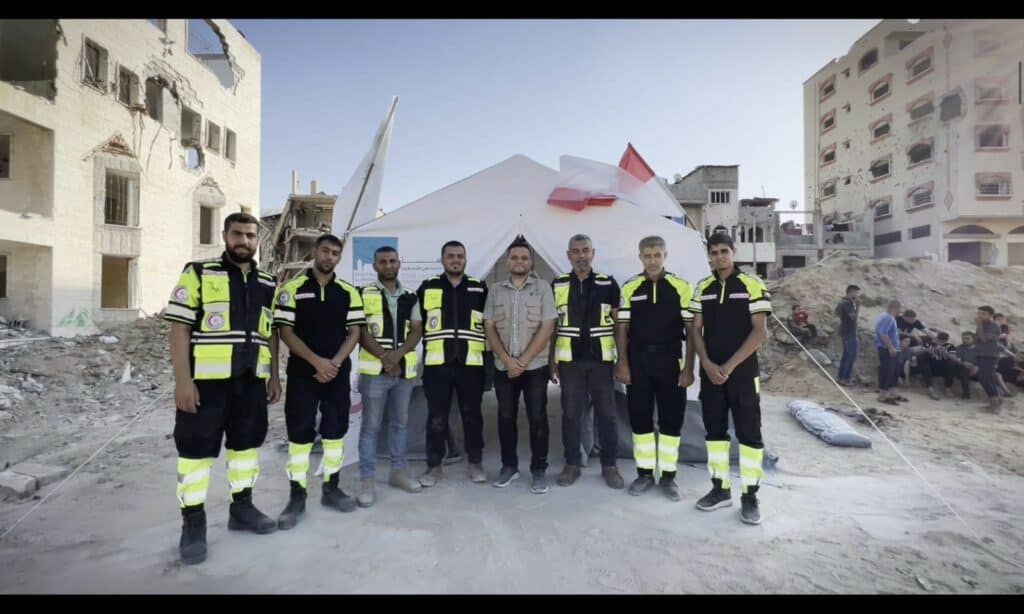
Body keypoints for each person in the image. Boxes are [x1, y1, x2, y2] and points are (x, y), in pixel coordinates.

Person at [164, 212, 282, 565]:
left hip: (250, 382)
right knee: (196, 454)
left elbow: (270, 332)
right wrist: (183, 381)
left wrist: (275, 375)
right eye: (237, 234)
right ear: (224, 235)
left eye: (250, 235)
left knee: (246, 449)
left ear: (257, 240)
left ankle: (242, 510)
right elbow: (179, 329)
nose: (244, 241)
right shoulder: (199, 273)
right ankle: (193, 523)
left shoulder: (267, 282)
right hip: (206, 385)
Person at [273, 234, 365, 529]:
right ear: (315, 252)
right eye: (325, 250)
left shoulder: (349, 292)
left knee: (335, 432)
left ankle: (331, 488)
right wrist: (316, 361)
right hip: (303, 373)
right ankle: (296, 496)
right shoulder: (292, 289)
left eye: (335, 253)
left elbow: (355, 333)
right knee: (299, 436)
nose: (329, 257)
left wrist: (334, 363)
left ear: (339, 258)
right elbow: (285, 332)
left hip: (336, 374)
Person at [689, 232, 772, 525]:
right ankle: (719, 489)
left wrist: (729, 366)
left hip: (743, 375)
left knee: (750, 436)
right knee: (714, 435)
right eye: (714, 252)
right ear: (709, 255)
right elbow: (694, 330)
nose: (720, 256)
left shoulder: (752, 284)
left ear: (734, 252)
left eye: (725, 250)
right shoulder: (703, 287)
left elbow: (760, 332)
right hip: (711, 374)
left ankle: (750, 496)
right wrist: (709, 364)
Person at [616, 236, 696, 502]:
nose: (652, 261)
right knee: (640, 419)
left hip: (671, 362)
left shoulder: (681, 287)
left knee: (672, 420)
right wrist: (623, 363)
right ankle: (645, 474)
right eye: (647, 256)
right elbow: (622, 328)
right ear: (640, 257)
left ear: (665, 256)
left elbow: (692, 330)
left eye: (657, 255)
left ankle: (669, 476)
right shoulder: (630, 287)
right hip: (638, 363)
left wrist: (689, 369)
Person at [549, 234, 625, 490]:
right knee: (571, 414)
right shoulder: (557, 285)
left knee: (607, 414)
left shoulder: (607, 283)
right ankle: (572, 464)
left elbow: (619, 326)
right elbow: (551, 327)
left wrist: (622, 360)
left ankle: (610, 465)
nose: (581, 256)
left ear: (593, 253)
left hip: (602, 361)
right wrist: (552, 360)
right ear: (568, 255)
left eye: (585, 250)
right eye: (576, 251)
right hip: (570, 361)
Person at [483, 237, 557, 493]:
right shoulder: (495, 289)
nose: (519, 261)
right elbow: (489, 326)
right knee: (505, 417)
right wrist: (506, 360)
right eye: (514, 257)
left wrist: (523, 361)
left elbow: (548, 326)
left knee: (538, 418)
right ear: (507, 261)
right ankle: (509, 466)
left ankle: (539, 469)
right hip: (504, 368)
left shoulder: (543, 288)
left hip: (534, 367)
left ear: (531, 261)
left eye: (524, 258)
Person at [354, 246, 425, 508]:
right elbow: (359, 331)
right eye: (382, 262)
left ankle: (398, 472)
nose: (388, 265)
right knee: (371, 428)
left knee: (400, 424)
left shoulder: (410, 296)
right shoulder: (363, 293)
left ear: (399, 264)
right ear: (374, 266)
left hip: (403, 371)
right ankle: (367, 481)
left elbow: (417, 330)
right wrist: (386, 357)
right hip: (375, 372)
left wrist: (398, 355)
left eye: (392, 261)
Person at [417, 241, 489, 486]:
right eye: (450, 256)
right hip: (437, 365)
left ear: (466, 260)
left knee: (472, 415)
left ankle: (475, 462)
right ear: (442, 260)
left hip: (471, 364)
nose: (455, 260)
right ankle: (434, 467)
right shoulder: (428, 287)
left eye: (460, 256)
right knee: (437, 417)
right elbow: (416, 325)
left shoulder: (479, 288)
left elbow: (490, 327)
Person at [874, 300, 902, 405]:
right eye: (899, 309)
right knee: (888, 371)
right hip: (887, 348)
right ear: (895, 308)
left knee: (894, 370)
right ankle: (882, 394)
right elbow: (883, 333)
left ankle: (892, 391)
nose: (900, 311)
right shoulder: (889, 318)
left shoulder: (883, 316)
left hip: (885, 347)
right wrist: (891, 347)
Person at [975, 306, 1002, 413]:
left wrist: (979, 326)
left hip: (990, 355)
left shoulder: (993, 325)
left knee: (985, 378)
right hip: (981, 354)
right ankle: (995, 401)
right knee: (987, 379)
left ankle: (996, 405)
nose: (980, 315)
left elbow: (984, 339)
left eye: (983, 313)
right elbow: (977, 338)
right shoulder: (982, 325)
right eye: (979, 313)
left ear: (990, 315)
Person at [835, 285, 861, 385]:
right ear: (851, 292)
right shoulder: (847, 303)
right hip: (850, 332)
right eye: (856, 292)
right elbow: (853, 317)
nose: (857, 295)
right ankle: (845, 379)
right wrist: (858, 306)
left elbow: (836, 313)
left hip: (844, 331)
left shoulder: (842, 302)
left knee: (846, 356)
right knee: (851, 356)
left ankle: (840, 377)